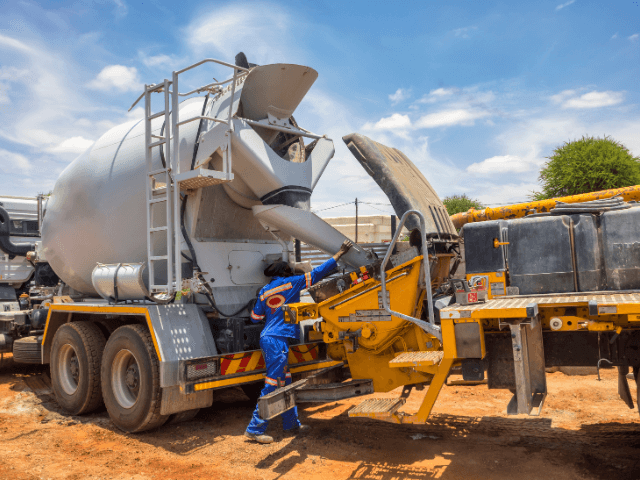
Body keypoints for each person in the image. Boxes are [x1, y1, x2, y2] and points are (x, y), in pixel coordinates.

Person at [244, 239, 354, 444]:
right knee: (272, 382)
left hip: (270, 338)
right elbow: (318, 273)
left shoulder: (264, 291)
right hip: (277, 340)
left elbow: (255, 318)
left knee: (285, 382)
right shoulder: (292, 283)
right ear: (287, 272)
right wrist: (339, 253)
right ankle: (255, 429)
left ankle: (291, 424)